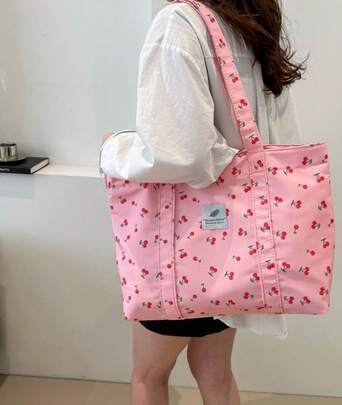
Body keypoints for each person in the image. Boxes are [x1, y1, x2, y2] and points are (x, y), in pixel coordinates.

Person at [100, 1, 307, 404]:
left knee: (148, 376)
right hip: (234, 247)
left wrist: (114, 149)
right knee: (215, 372)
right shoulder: (246, 19)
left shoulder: (178, 24)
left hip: (181, 248)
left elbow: (181, 154)